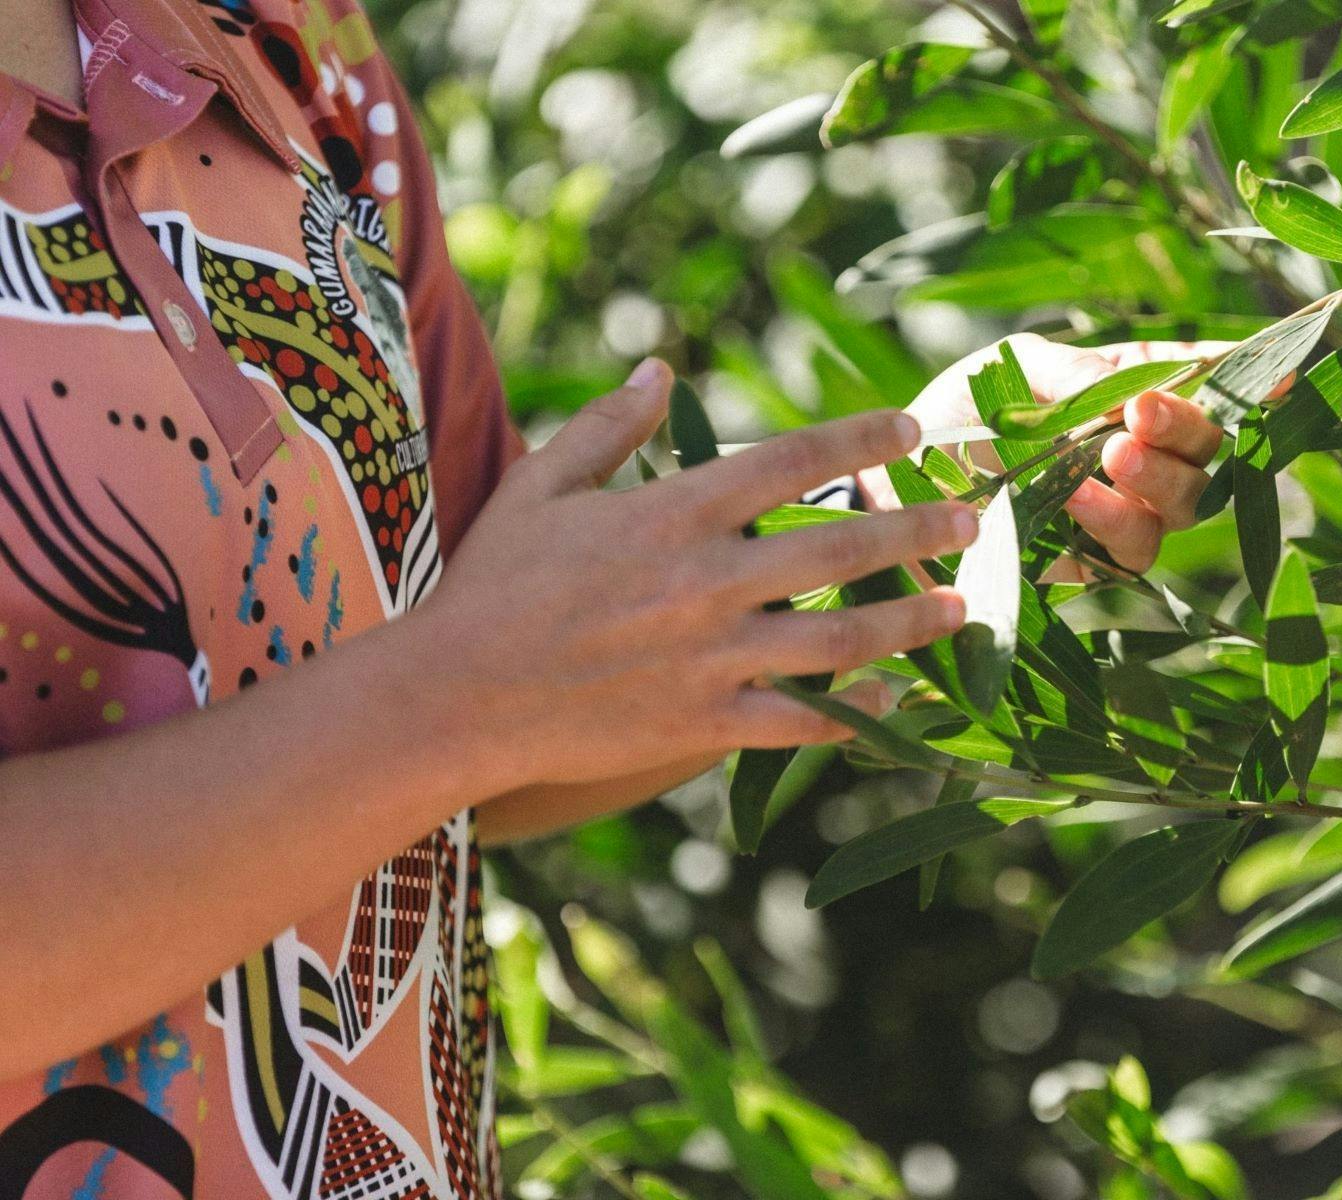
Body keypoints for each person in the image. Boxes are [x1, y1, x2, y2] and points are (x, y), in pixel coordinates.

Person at [0, 0, 1230, 1195]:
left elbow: (509, 690)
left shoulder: (288, 43)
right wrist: (451, 701)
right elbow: (461, 692)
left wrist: (899, 521)